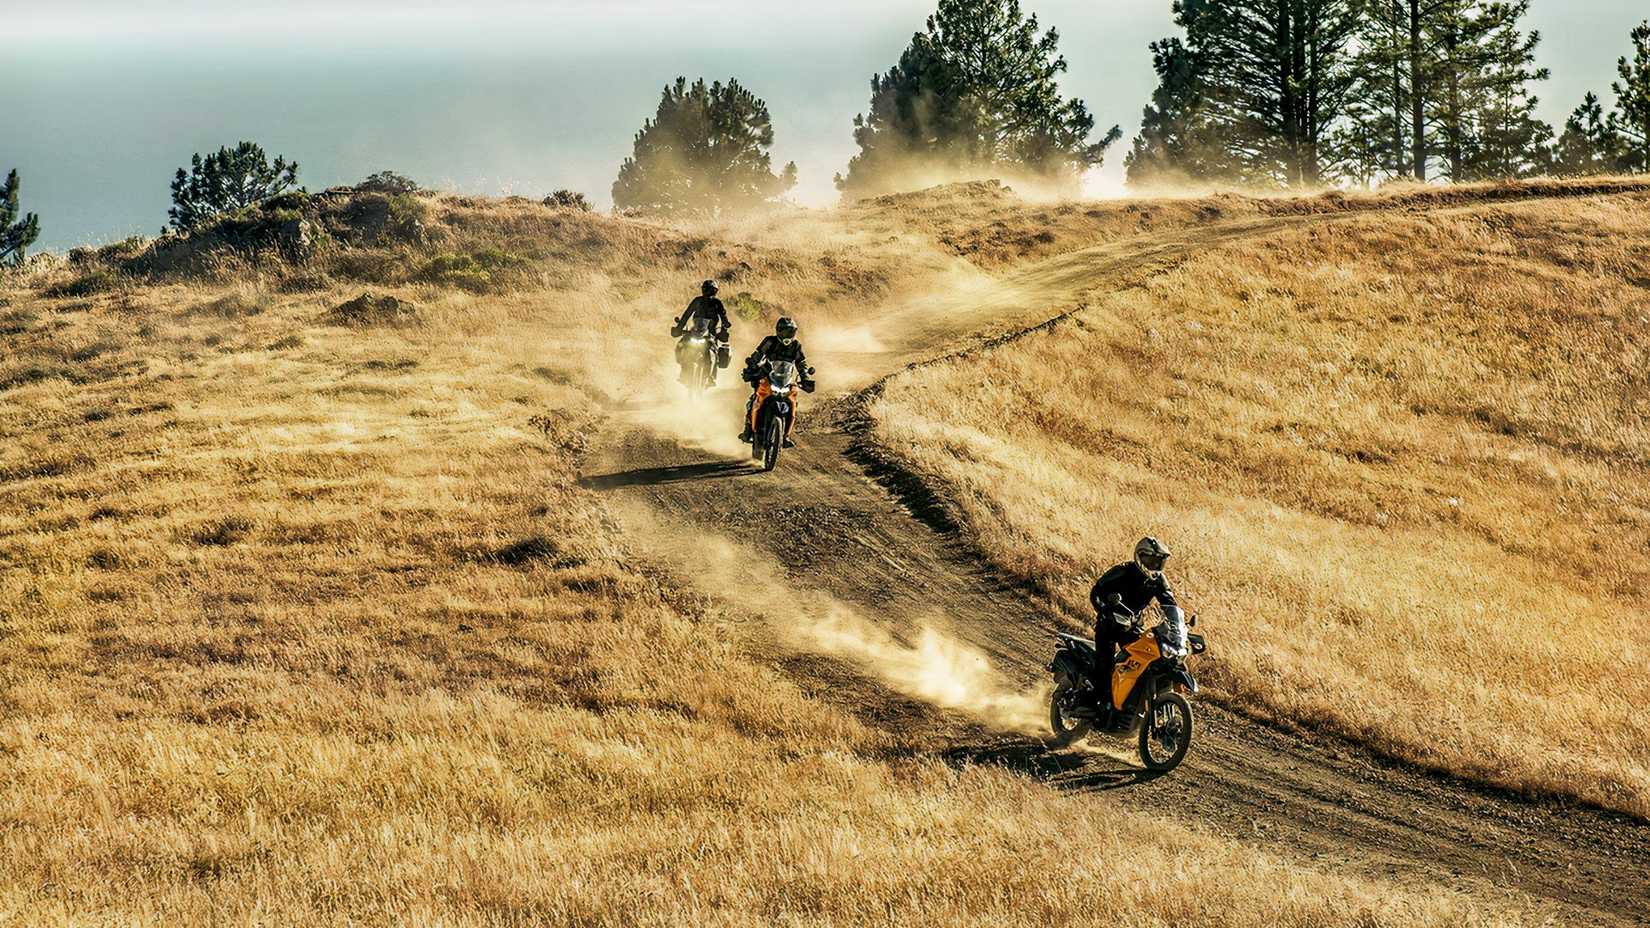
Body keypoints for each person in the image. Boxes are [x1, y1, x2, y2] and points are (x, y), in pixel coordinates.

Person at [1086, 536, 1177, 711]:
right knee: (1105, 665)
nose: (1155, 565)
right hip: (1109, 626)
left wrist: (1177, 624)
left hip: (1133, 627)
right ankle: (1096, 705)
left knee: (1141, 662)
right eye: (1151, 560)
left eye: (1159, 561)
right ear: (1139, 557)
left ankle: (1131, 702)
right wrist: (1105, 610)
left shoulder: (1158, 580)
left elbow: (1170, 603)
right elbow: (1096, 593)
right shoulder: (1122, 572)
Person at [739, 316, 814, 446]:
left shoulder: (796, 345)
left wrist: (805, 377)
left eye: (791, 332)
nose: (788, 335)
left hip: (786, 381)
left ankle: (785, 436)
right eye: (786, 332)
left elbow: (801, 363)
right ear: (778, 331)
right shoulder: (770, 342)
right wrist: (751, 366)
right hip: (767, 377)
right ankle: (748, 429)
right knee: (755, 399)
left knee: (793, 403)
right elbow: (758, 355)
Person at [672, 280, 731, 382]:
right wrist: (679, 328)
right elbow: (687, 314)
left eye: (711, 290)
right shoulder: (697, 301)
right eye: (706, 289)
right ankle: (683, 373)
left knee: (715, 351)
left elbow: (723, 316)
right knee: (682, 344)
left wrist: (725, 327)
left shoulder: (717, 303)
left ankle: (711, 377)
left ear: (715, 291)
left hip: (710, 333)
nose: (708, 292)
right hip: (696, 331)